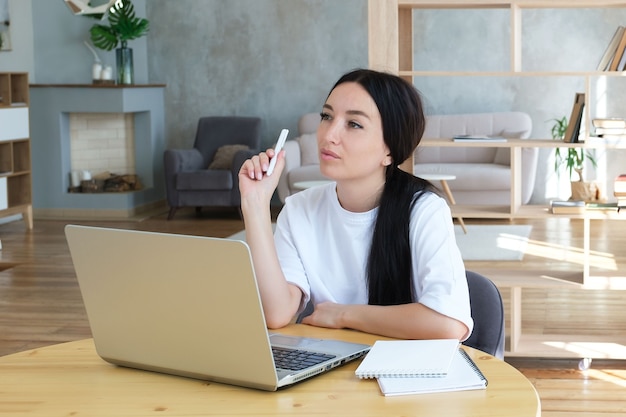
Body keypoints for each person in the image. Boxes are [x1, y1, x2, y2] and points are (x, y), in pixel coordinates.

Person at [238, 68, 472, 341]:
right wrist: (255, 205)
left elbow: (448, 323)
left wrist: (344, 314)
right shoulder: (299, 209)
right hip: (326, 371)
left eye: (354, 124)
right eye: (327, 117)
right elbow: (276, 313)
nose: (329, 135)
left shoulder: (424, 210)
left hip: (400, 370)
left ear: (389, 150)